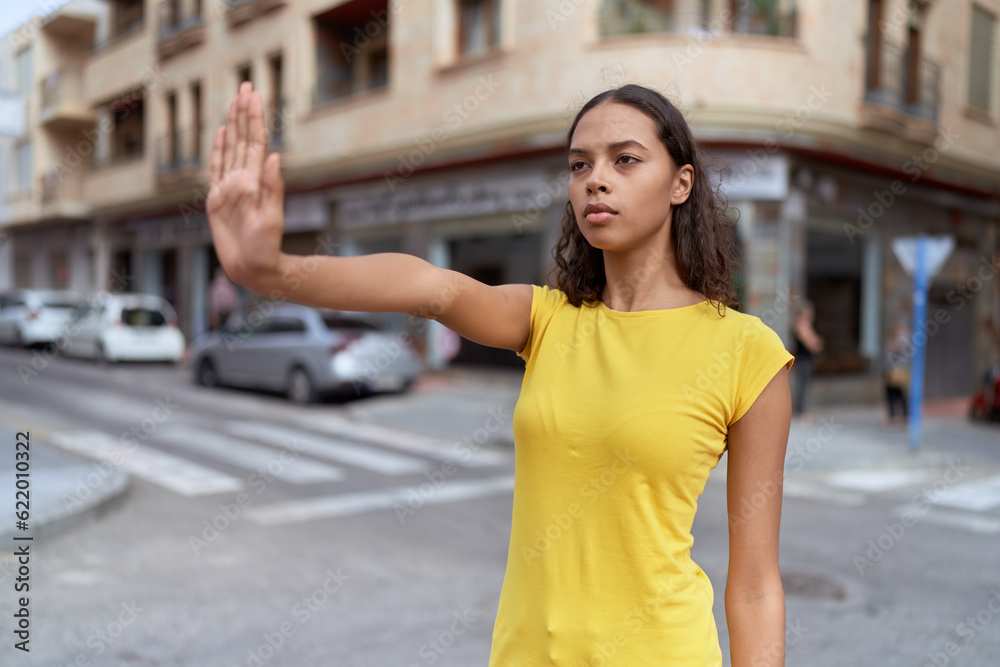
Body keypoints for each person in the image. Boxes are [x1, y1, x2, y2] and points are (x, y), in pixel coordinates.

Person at [207, 81, 793, 667]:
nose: (596, 178)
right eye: (579, 164)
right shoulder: (547, 320)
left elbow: (755, 584)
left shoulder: (745, 351)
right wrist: (272, 270)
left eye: (626, 159)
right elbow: (432, 289)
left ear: (681, 183)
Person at [791, 300, 824, 421]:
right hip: (804, 359)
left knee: (803, 385)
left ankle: (800, 409)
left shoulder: (804, 325)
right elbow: (813, 344)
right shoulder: (801, 325)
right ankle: (801, 411)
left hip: (805, 359)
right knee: (803, 386)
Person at [884, 322, 910, 427]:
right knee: (891, 395)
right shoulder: (889, 344)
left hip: (900, 373)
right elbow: (886, 359)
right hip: (890, 373)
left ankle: (905, 416)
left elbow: (906, 358)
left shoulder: (904, 344)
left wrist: (899, 371)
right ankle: (892, 416)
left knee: (902, 395)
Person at [208, 266, 238, 331]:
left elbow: (214, 301)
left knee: (221, 330)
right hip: (224, 311)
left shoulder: (217, 286)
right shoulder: (226, 286)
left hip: (225, 311)